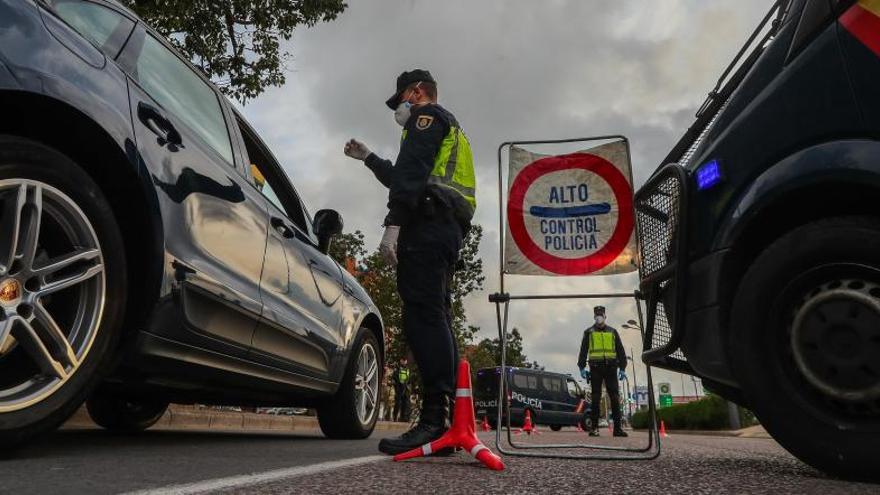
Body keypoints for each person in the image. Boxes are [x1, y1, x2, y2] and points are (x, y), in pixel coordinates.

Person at [344, 69, 476, 455]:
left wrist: (393, 224)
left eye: (400, 99)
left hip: (428, 225)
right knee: (436, 315)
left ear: (417, 92)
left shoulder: (427, 118)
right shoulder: (450, 127)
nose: (397, 108)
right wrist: (369, 158)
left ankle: (434, 421)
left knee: (422, 315)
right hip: (445, 229)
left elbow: (412, 176)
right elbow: (407, 175)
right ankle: (448, 422)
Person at [577, 305, 628, 437]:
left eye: (601, 315)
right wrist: (581, 367)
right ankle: (594, 428)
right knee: (595, 398)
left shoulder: (612, 331)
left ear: (605, 316)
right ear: (594, 317)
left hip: (611, 368)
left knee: (615, 398)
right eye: (597, 315)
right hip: (595, 368)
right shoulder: (588, 332)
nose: (599, 317)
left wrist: (622, 367)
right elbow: (583, 350)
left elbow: (620, 350)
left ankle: (617, 429)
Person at [392, 356, 412, 422]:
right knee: (398, 403)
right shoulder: (397, 368)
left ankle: (404, 418)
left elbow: (409, 379)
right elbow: (394, 377)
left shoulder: (407, 368)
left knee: (406, 404)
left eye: (405, 360)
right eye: (403, 360)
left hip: (406, 388)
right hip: (399, 388)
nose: (404, 361)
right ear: (401, 360)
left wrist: (408, 386)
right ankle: (395, 417)